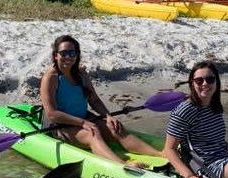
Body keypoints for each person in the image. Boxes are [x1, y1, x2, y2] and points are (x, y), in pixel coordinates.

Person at [40, 35, 162, 168]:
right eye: (63, 53)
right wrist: (83, 123)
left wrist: (108, 116)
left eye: (72, 53)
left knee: (115, 128)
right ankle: (123, 166)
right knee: (93, 133)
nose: (68, 57)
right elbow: (52, 114)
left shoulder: (81, 74)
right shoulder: (50, 77)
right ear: (55, 55)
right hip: (60, 125)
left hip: (83, 118)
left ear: (77, 55)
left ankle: (160, 154)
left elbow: (94, 99)